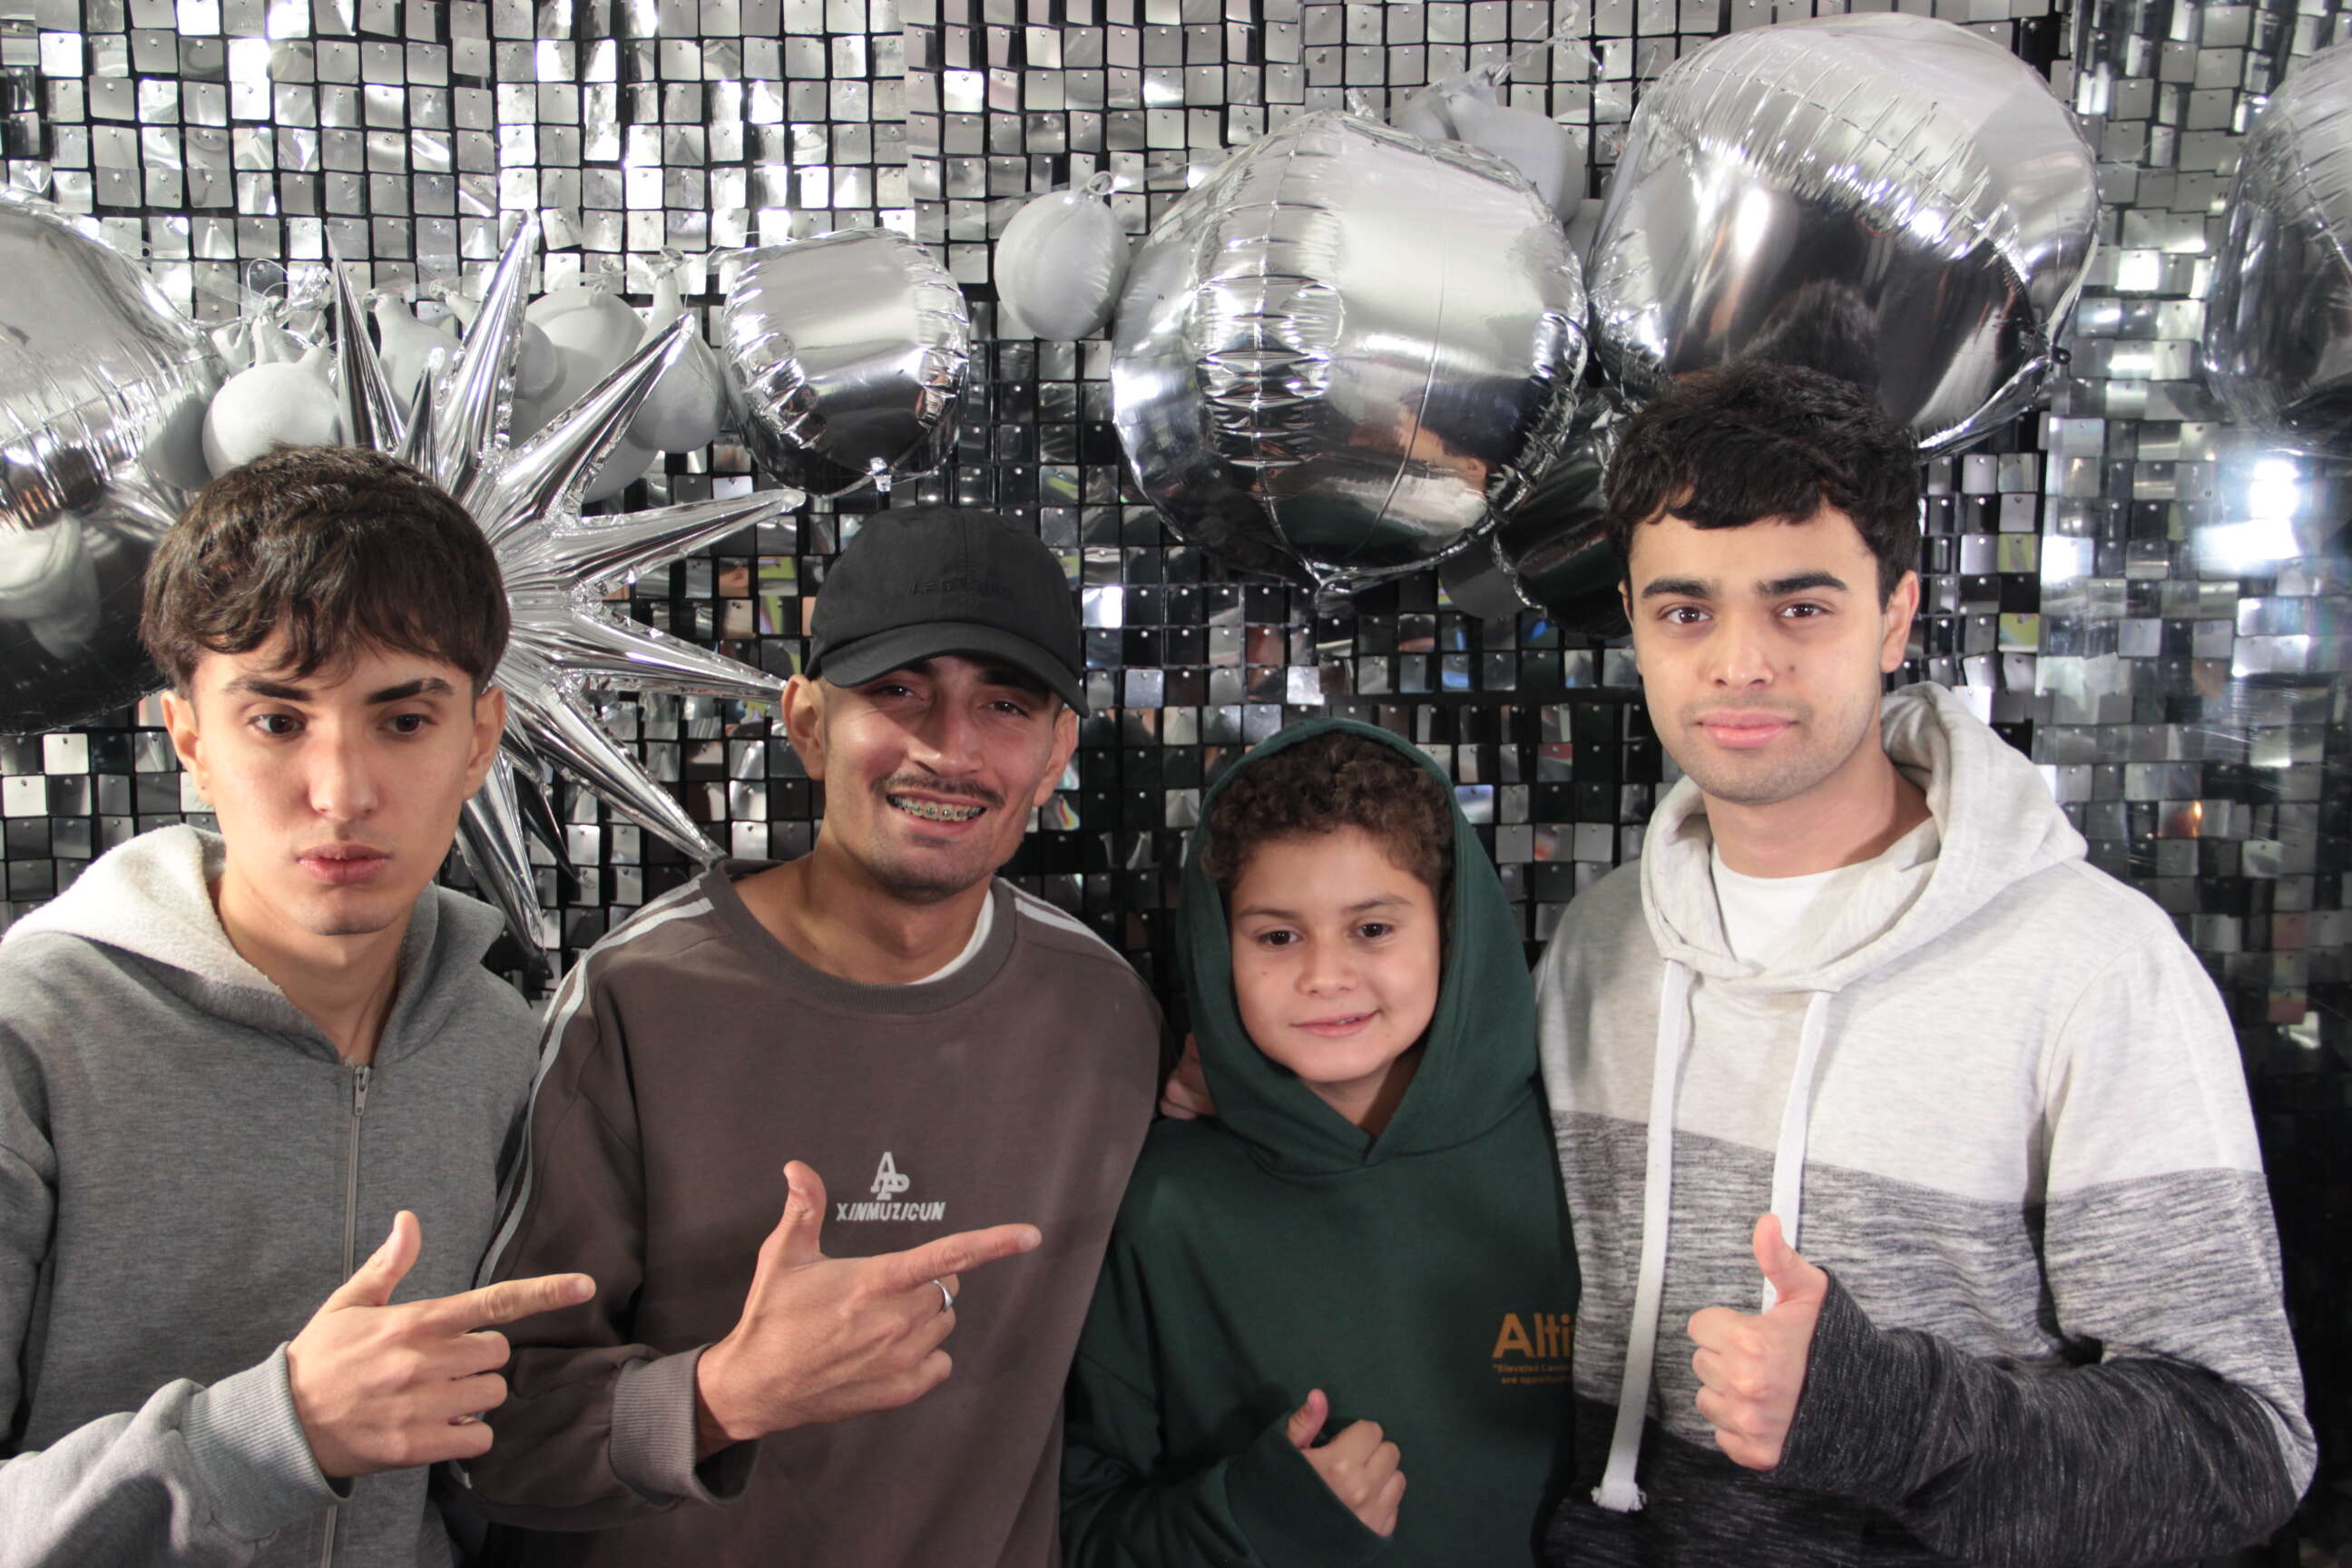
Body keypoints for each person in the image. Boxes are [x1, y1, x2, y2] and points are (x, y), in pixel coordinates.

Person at [1538, 358, 2313, 1563]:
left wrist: (1891, 1419)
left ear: (1896, 615)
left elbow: (2243, 1447)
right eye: (1687, 612)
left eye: (1801, 608)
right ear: (1635, 619)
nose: (1739, 663)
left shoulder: (2095, 968)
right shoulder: (1598, 948)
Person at [466, 505, 1161, 1565]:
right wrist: (720, 1397)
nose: (950, 747)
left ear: (1059, 747)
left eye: (1006, 704)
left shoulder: (1108, 1016)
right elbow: (489, 1433)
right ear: (806, 721)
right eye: (897, 691)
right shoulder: (637, 996)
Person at [0, 446, 593, 1567]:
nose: (342, 791)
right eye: (277, 722)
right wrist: (275, 1435)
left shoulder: (505, 1052)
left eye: (402, 721)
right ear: (190, 739)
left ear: (478, 738)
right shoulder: (31, 1037)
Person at [1062, 720, 1578, 1566]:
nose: (1325, 976)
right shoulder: (1160, 1205)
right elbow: (1076, 1525)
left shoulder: (1579, 1165)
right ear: (1216, 947)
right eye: (1277, 936)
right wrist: (1249, 1523)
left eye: (1373, 929)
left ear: (1452, 929)